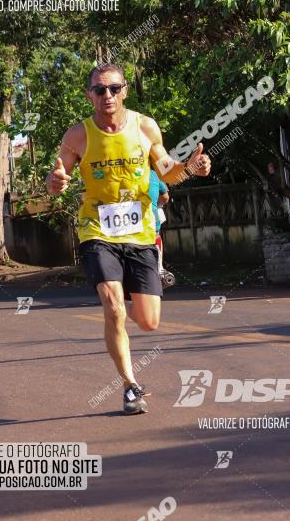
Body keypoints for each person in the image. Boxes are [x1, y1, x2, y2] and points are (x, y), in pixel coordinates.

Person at [46, 63, 211, 414]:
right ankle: (130, 385)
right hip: (96, 229)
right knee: (115, 308)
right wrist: (55, 182)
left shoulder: (145, 126)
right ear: (88, 94)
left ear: (125, 91)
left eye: (114, 88)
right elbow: (57, 175)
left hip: (139, 233)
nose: (108, 95)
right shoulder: (78, 134)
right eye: (99, 90)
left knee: (149, 321)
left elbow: (167, 170)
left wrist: (189, 168)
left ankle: (122, 314)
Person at [148, 168, 173, 284]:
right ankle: (159, 269)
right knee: (156, 235)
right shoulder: (153, 173)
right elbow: (165, 198)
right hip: (150, 224)